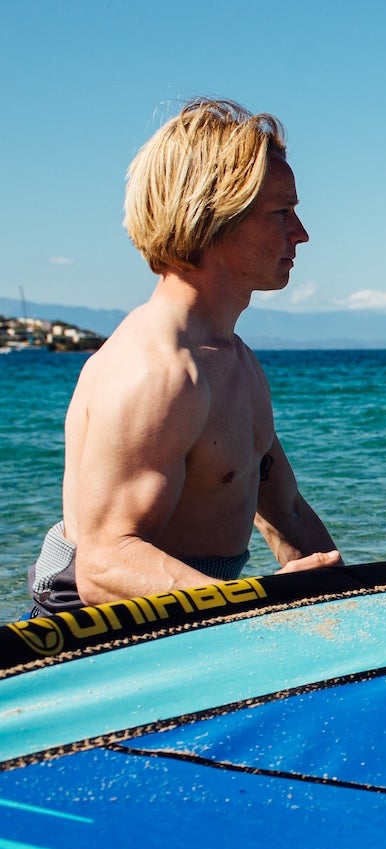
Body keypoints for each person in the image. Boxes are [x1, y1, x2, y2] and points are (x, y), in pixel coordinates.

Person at [25, 98, 341, 618]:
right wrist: (253, 613)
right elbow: (105, 565)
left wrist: (344, 612)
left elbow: (282, 511)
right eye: (281, 213)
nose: (300, 233)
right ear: (214, 217)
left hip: (199, 608)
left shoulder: (234, 359)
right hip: (94, 627)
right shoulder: (156, 372)